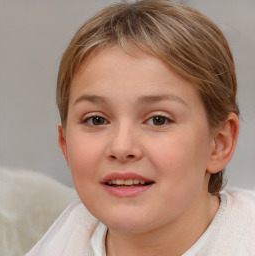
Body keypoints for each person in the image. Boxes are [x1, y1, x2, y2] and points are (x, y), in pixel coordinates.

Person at [26, 0, 255, 255]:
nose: (122, 147)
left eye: (158, 119)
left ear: (218, 143)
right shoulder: (64, 242)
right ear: (65, 144)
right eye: (96, 120)